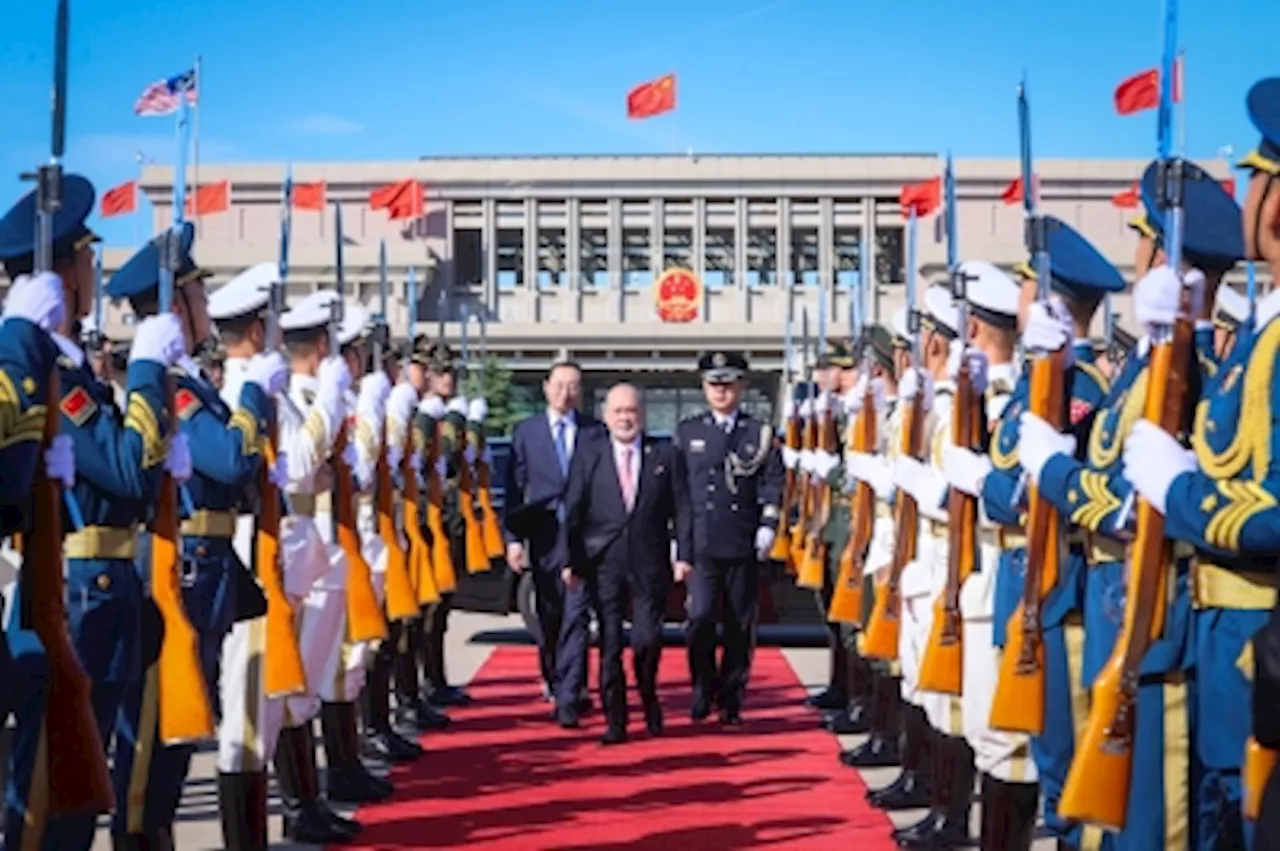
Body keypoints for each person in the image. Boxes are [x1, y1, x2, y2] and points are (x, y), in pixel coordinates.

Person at [0, 176, 188, 851]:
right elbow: (126, 468)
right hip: (79, 594)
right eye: (83, 259)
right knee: (55, 797)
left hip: (105, 592)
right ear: (62, 273)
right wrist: (142, 372)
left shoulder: (71, 374)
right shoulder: (54, 374)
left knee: (84, 788)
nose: (92, 270)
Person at [1121, 77, 1280, 850]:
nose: (1244, 191)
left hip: (1254, 639)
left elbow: (1272, 510)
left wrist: (1176, 486)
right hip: (1224, 638)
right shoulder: (1261, 336)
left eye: (1257, 176)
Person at [943, 217, 1122, 850]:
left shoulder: (1081, 390)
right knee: (1046, 758)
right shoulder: (1036, 383)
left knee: (1069, 767)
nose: (1019, 295)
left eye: (1026, 283)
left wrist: (982, 479)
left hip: (1060, 589)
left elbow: (1029, 492)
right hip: (1027, 584)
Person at [105, 221, 273, 849]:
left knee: (176, 738)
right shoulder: (171, 391)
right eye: (198, 297)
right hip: (181, 566)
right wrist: (254, 391)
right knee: (152, 741)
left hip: (207, 564)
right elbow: (228, 461)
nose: (207, 308)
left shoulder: (189, 386)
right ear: (177, 307)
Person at [203, 261, 294, 849]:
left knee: (257, 705)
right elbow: (235, 467)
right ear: (257, 331)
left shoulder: (252, 385)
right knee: (242, 702)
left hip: (260, 544)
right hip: (242, 547)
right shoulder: (242, 389)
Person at [273, 290, 362, 843]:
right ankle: (296, 802)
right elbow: (304, 468)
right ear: (323, 347)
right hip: (294, 543)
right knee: (293, 682)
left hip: (319, 540)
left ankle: (311, 796)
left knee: (317, 675)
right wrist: (331, 405)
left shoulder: (303, 399)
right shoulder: (285, 398)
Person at [561, 383, 691, 743]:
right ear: (606, 416)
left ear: (642, 414)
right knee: (610, 644)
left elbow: (682, 508)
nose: (625, 418)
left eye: (631, 410)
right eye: (618, 411)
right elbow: (573, 510)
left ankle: (648, 696)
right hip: (604, 563)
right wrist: (570, 560)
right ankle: (615, 721)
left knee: (647, 641)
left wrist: (684, 555)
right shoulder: (590, 453)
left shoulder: (664, 454)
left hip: (649, 563)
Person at [676, 350, 785, 725]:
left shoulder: (759, 432)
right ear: (704, 388)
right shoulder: (689, 431)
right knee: (701, 618)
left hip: (742, 541)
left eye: (728, 383)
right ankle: (703, 689)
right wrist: (680, 542)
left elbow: (773, 481)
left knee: (740, 623)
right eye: (714, 384)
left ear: (743, 386)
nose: (721, 391)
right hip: (703, 541)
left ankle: (733, 695)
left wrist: (768, 524)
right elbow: (682, 493)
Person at [503, 360, 600, 725]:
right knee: (550, 618)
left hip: (582, 539)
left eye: (573, 386)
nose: (566, 393)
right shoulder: (527, 433)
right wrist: (513, 539)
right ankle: (554, 677)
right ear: (546, 387)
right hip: (543, 537)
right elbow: (515, 490)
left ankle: (571, 694)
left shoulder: (594, 431)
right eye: (559, 385)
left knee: (577, 616)